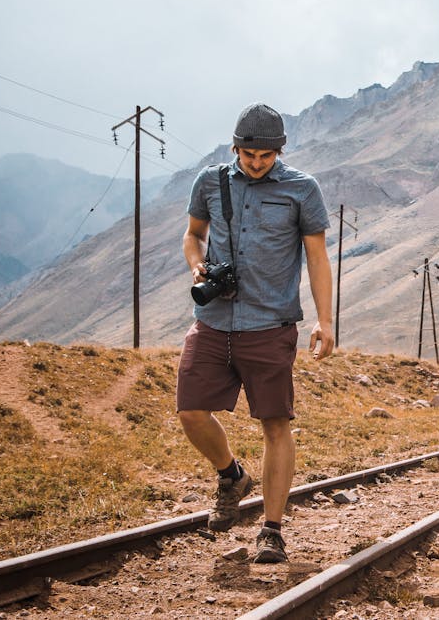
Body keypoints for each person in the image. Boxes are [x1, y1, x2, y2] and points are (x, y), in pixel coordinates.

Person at [177, 103, 335, 564]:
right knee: (190, 411)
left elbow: (318, 258)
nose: (256, 162)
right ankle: (231, 475)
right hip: (212, 321)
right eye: (248, 154)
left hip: (269, 326)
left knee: (275, 424)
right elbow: (192, 235)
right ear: (235, 147)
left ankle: (272, 530)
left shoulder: (302, 189)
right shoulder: (210, 181)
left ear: (279, 151)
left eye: (265, 156)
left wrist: (326, 321)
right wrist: (196, 264)